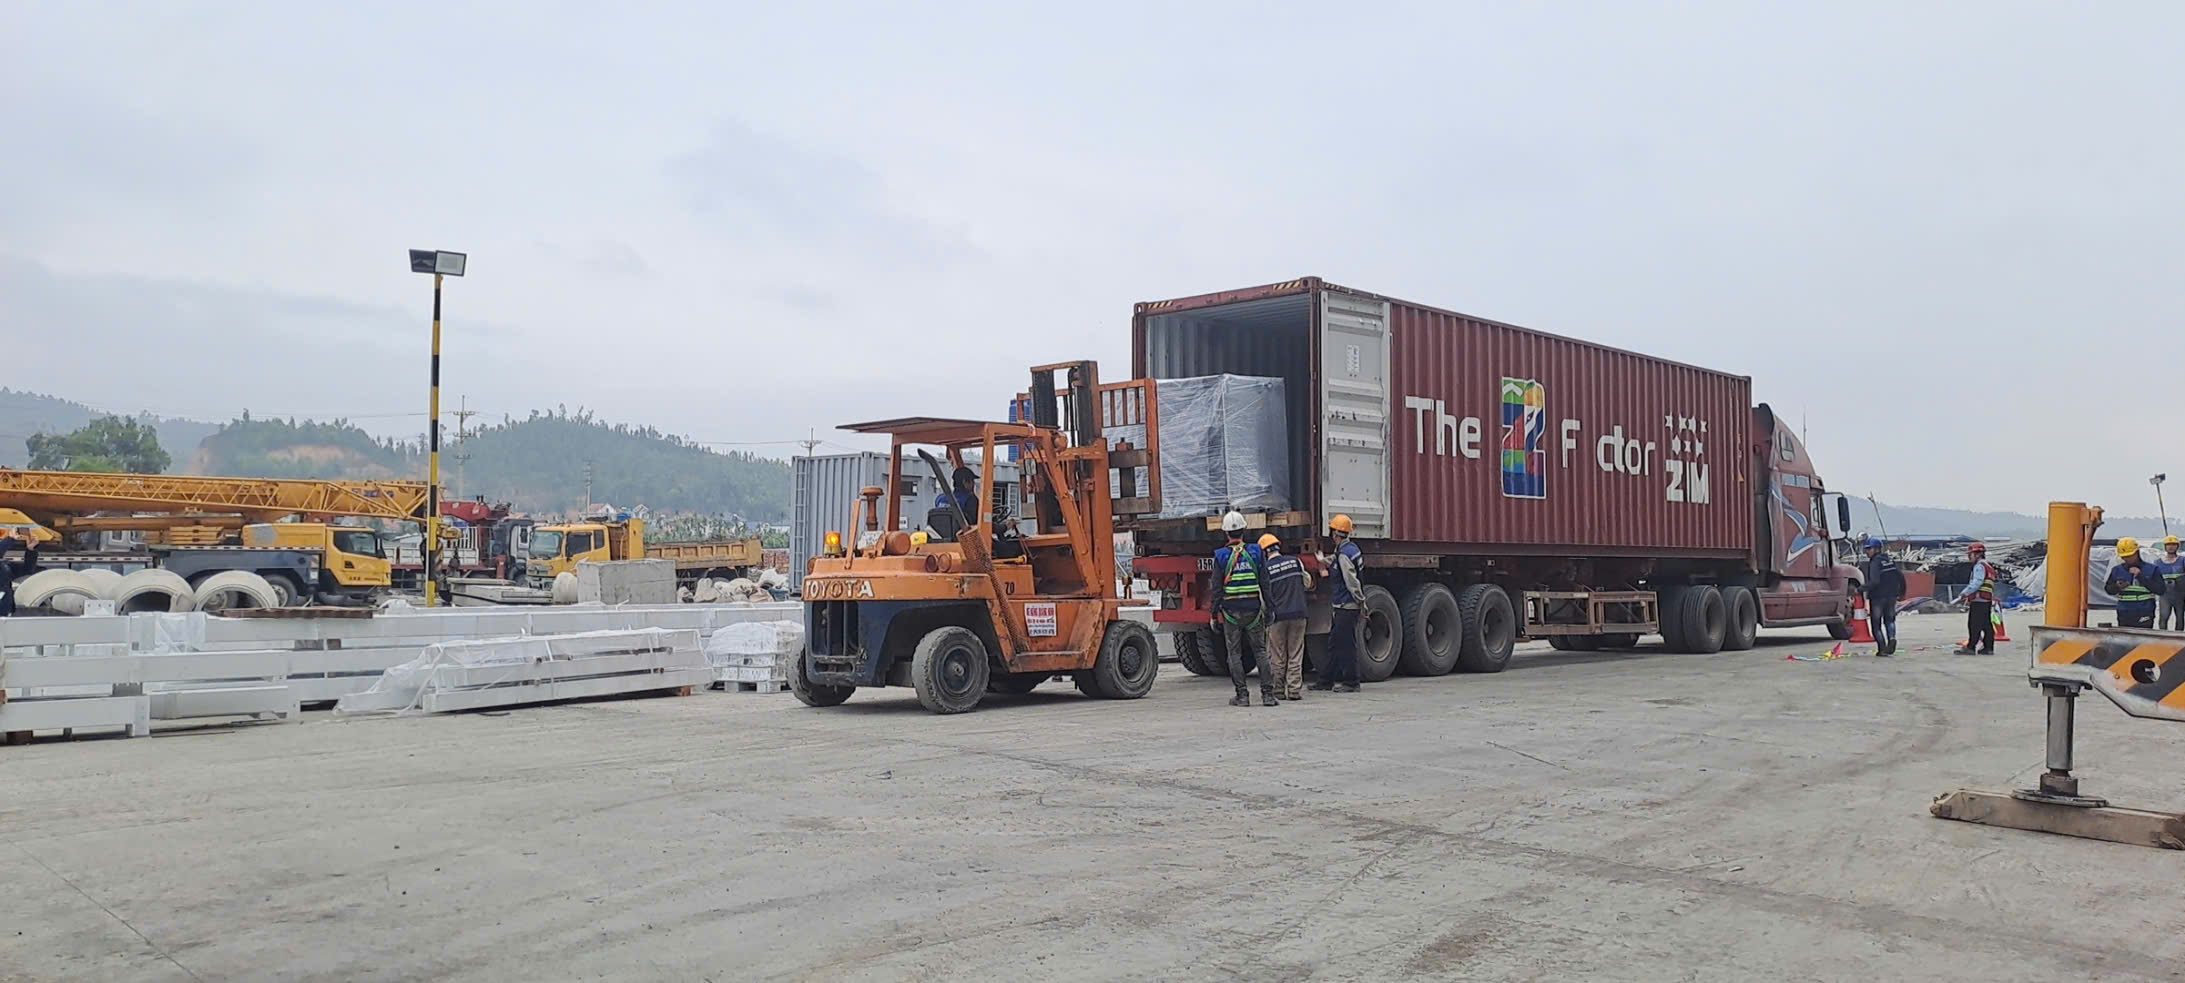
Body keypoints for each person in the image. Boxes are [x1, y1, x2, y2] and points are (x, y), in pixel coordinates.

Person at [1213, 511, 1276, 707]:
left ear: (1226, 533)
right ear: (1244, 530)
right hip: (1254, 611)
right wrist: (1270, 608)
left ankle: (1242, 696)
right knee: (1260, 651)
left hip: (1231, 613)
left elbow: (1216, 589)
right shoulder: (1256, 552)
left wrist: (1213, 614)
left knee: (1234, 654)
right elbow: (1265, 583)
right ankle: (1268, 695)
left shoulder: (1221, 556)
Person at [1310, 514, 1366, 692]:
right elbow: (1334, 559)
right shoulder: (1349, 549)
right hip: (1342, 606)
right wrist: (1322, 561)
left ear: (1335, 533)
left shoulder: (1344, 555)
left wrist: (1361, 602)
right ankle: (1325, 681)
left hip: (1346, 606)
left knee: (1346, 645)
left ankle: (1352, 682)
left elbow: (1351, 582)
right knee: (1335, 643)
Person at [1258, 533, 1313, 701]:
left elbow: (1263, 599)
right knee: (1295, 653)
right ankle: (1294, 690)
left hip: (1278, 617)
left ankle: (1278, 690)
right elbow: (1307, 582)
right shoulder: (1295, 562)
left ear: (1264, 552)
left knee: (1277, 655)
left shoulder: (1265, 570)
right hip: (1299, 614)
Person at [2107, 537, 2164, 630]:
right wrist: (2117, 587)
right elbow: (2108, 589)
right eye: (2124, 557)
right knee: (2124, 636)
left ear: (2137, 552)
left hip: (2145, 611)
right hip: (2124, 612)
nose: (2127, 559)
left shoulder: (2152, 569)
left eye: (2130, 556)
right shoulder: (2117, 570)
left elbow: (2161, 590)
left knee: (2143, 636)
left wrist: (2141, 577)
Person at [1952, 542, 1999, 654]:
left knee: (1974, 624)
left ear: (1978, 554)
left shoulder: (1979, 566)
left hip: (1979, 599)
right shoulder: (1989, 567)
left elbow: (1977, 582)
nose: (1969, 557)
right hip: (1986, 600)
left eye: (1970, 554)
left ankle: (1971, 647)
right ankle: (1988, 648)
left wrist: (1964, 593)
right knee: (1986, 625)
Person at [1862, 537, 1905, 656]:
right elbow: (1901, 577)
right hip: (1891, 596)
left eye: (1869, 549)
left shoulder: (1874, 562)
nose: (1866, 552)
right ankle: (1892, 638)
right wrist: (1902, 593)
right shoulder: (1889, 561)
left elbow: (1874, 581)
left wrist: (1860, 589)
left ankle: (1882, 649)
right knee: (1890, 620)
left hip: (1878, 597)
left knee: (1876, 625)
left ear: (1877, 549)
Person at [0, 525, 42, 617]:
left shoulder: (4, 567)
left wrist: (30, 549)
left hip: (6, 617)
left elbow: (28, 569)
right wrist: (9, 539)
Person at [2154, 536, 2184, 632]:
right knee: (2163, 617)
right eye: (2168, 545)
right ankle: (2163, 637)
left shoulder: (2182, 561)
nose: (2171, 547)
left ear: (2177, 546)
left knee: (2180, 618)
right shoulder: (2158, 562)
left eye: (2173, 544)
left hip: (2180, 594)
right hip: (2165, 595)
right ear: (2165, 546)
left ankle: (2178, 638)